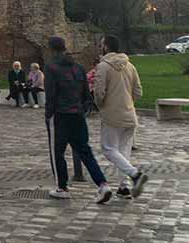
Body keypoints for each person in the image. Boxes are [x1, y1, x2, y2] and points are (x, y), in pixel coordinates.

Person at [44, 36, 112, 203]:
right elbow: (85, 92)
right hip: (78, 114)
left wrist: (48, 114)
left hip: (60, 115)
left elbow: (51, 94)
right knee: (84, 151)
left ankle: (62, 187)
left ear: (52, 49)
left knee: (57, 153)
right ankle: (102, 184)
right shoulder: (78, 67)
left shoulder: (51, 67)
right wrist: (84, 107)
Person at [94, 35, 149, 199]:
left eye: (101, 44)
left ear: (106, 47)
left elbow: (99, 92)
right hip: (129, 114)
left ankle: (135, 175)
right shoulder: (130, 65)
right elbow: (138, 91)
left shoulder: (103, 66)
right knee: (123, 151)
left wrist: (101, 105)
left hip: (112, 115)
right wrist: (127, 102)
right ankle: (123, 188)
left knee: (109, 149)